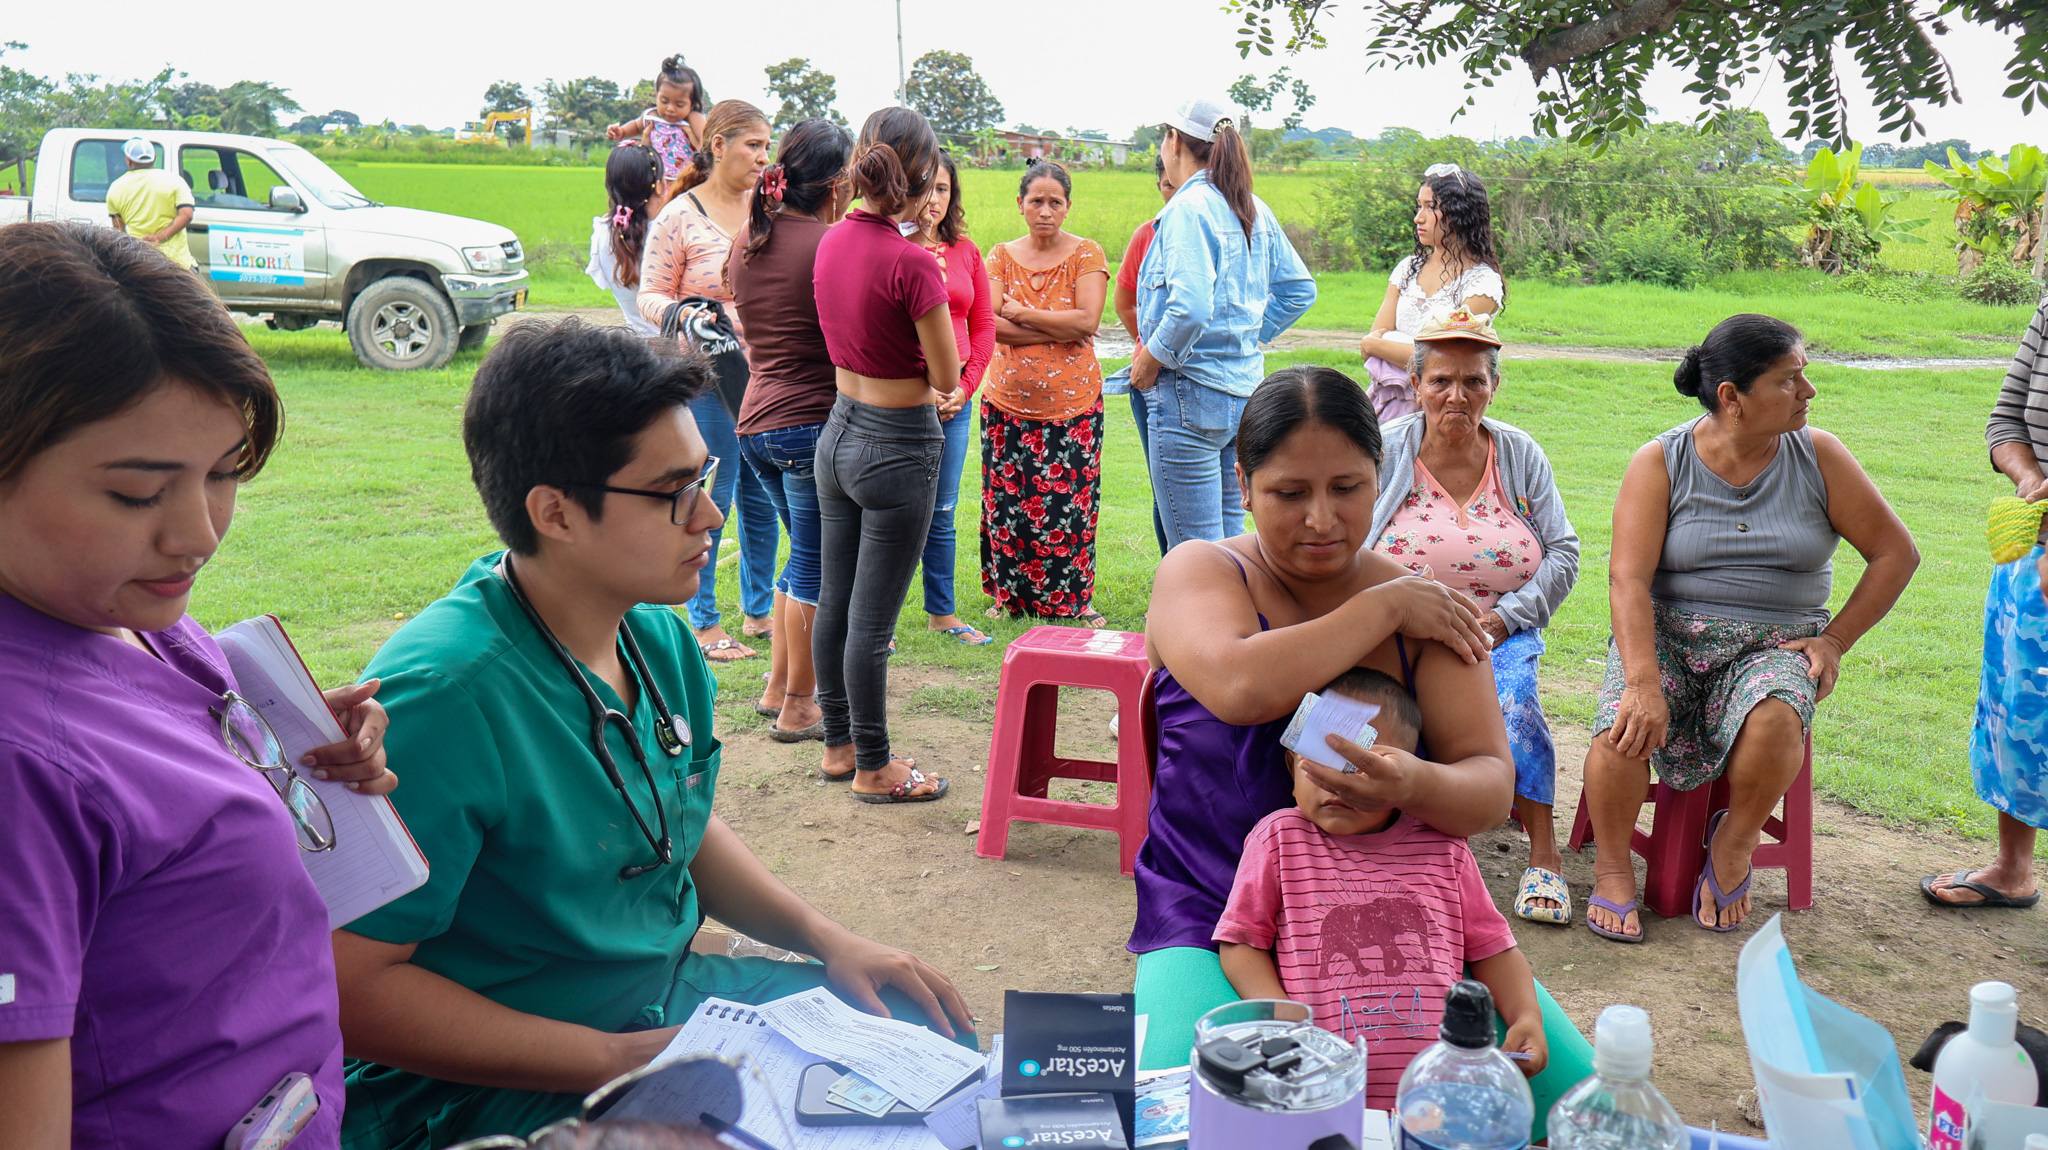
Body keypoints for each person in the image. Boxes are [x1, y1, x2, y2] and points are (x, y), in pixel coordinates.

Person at [331, 320, 972, 1149]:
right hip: (488, 1085)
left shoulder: (658, 639)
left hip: (662, 1011)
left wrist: (830, 941)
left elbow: (679, 822)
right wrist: (618, 1058)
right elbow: (354, 989)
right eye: (673, 491)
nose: (710, 513)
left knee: (922, 1042)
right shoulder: (444, 699)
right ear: (556, 513)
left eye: (704, 476)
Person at [0, 223, 393, 1148]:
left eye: (223, 474)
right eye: (137, 494)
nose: (200, 533)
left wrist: (286, 755)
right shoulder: (17, 762)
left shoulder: (134, 618)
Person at [1129, 364, 1592, 1141]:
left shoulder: (1426, 611)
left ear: (1381, 477)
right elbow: (1240, 687)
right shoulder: (1203, 573)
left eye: (1347, 488)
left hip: (1400, 928)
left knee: (1582, 1112)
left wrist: (1412, 782)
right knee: (1185, 1128)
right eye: (1289, 493)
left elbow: (1488, 789)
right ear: (1243, 484)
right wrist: (1382, 608)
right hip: (1214, 923)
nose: (1322, 519)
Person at [1584, 314, 1919, 943]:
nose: (1808, 391)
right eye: (1789, 380)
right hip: (1670, 636)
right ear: (1732, 397)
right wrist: (1642, 681)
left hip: (1774, 644)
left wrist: (1835, 640)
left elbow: (1896, 553)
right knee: (1621, 729)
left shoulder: (1818, 455)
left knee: (1776, 716)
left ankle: (1734, 845)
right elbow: (1627, 579)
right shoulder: (1662, 461)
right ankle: (1612, 869)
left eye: (1804, 376)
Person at [1216, 669, 1546, 1108]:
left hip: (1436, 1090)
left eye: (1361, 765)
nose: (1338, 782)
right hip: (1319, 1085)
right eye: (1319, 763)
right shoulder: (1278, 840)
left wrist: (1526, 1016)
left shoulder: (1445, 847)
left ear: (1404, 777)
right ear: (1292, 768)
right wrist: (1282, 1017)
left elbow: (1494, 948)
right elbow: (1241, 943)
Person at [1366, 309, 1580, 926]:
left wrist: (1508, 617)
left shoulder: (1518, 454)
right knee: (1369, 713)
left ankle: (1544, 854)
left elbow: (1564, 552)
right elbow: (1351, 544)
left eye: (1473, 381)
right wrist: (1399, 608)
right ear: (1415, 385)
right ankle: (1390, 843)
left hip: (1497, 632)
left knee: (1516, 705)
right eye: (1441, 381)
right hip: (1400, 632)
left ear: (1494, 386)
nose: (1456, 396)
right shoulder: (1386, 449)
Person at [809, 107, 962, 802]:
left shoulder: (831, 241)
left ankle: (839, 746)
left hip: (838, 432)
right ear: (922, 175)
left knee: (835, 603)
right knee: (871, 624)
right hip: (897, 444)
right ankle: (875, 766)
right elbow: (948, 376)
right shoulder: (913, 263)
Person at [1128, 96, 1316, 550]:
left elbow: (1190, 307)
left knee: (1195, 552)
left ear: (1174, 141)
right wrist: (1247, 334)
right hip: (1243, 393)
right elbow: (1299, 290)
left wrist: (1153, 357)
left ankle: (1208, 602)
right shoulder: (1250, 205)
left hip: (1188, 392)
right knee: (1232, 542)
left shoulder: (1188, 208)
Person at [638, 100, 779, 663]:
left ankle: (760, 610)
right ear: (718, 146)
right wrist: (688, 315)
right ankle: (705, 622)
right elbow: (650, 295)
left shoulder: (769, 211)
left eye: (767, 146)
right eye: (753, 145)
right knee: (714, 494)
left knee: (763, 495)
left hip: (767, 373)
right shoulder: (679, 216)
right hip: (707, 376)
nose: (763, 157)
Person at [728, 119, 854, 742]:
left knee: (801, 555)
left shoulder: (749, 239)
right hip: (807, 424)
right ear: (836, 183)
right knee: (817, 566)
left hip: (756, 423)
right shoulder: (827, 245)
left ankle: (779, 686)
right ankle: (801, 703)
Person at [1923, 293, 2048, 911]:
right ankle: (2013, 868)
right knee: (2019, 713)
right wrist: (2029, 480)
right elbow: (2006, 421)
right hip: (2032, 549)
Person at [982, 160, 1110, 625]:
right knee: (1008, 505)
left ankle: (1073, 600)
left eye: (1055, 202)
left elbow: (1088, 320)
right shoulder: (1000, 256)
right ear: (1020, 204)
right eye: (1036, 201)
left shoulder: (1086, 254)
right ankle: (1010, 599)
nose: (1045, 210)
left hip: (1073, 406)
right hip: (1006, 404)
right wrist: (1059, 328)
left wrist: (1021, 312)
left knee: (1070, 505)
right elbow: (989, 324)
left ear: (1068, 206)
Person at [910, 150, 997, 646]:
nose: (934, 199)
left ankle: (942, 613)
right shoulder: (892, 247)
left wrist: (965, 389)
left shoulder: (966, 251)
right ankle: (879, 617)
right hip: (902, 400)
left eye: (942, 189)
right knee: (893, 512)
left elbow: (983, 326)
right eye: (926, 187)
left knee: (942, 509)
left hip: (955, 402)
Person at [1357, 163, 1506, 424]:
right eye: (1419, 206)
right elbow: (1375, 341)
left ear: (1460, 213)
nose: (1419, 217)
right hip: (1385, 406)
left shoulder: (1482, 284)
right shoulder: (1407, 269)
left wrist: (1377, 344)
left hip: (1440, 414)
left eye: (1431, 207)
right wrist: (1380, 346)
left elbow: (1442, 358)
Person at [1111, 154, 1179, 556]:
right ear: (1159, 186)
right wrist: (1151, 350)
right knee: (1164, 488)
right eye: (1168, 185)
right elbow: (1124, 302)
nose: (1176, 193)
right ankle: (1173, 574)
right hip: (1152, 381)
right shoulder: (1147, 235)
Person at [586, 144, 667, 337]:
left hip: (636, 347)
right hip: (679, 347)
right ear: (660, 185)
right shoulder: (668, 233)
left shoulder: (603, 233)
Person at [606, 55, 710, 183]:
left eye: (679, 104)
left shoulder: (692, 118)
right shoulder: (652, 116)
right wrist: (621, 132)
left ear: (692, 104)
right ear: (657, 96)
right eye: (664, 101)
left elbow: (706, 143)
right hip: (656, 179)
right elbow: (636, 125)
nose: (670, 108)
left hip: (685, 180)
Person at [104, 136, 197, 269]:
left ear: (128, 161)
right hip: (177, 264)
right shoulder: (174, 180)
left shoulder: (116, 188)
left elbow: (118, 231)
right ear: (154, 158)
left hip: (139, 264)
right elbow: (186, 214)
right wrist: (159, 237)